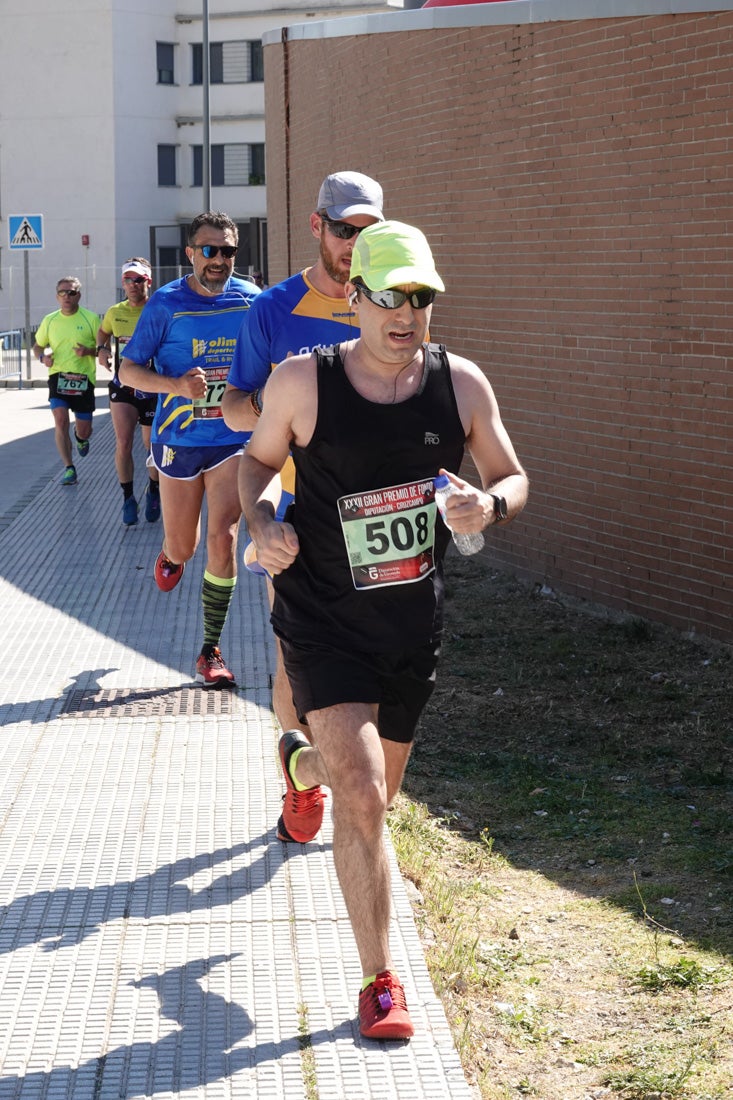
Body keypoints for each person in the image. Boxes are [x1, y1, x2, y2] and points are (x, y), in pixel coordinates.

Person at [238, 220, 529, 1040]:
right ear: (355, 298)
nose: (407, 313)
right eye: (391, 296)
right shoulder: (303, 382)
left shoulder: (459, 385)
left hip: (410, 625)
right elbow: (254, 463)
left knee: (376, 799)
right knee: (363, 799)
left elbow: (510, 473)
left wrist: (490, 504)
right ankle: (380, 984)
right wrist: (264, 524)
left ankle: (304, 769)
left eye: (422, 298)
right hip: (321, 616)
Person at [222, 170, 385, 733]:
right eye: (344, 230)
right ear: (317, 225)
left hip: (373, 512)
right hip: (295, 511)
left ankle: (351, 780)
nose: (354, 246)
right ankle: (298, 782)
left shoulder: (391, 301)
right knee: (296, 660)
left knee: (375, 660)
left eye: (369, 232)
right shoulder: (273, 309)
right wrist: (278, 399)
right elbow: (233, 406)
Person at [119, 212, 260, 688]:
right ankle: (170, 555)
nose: (218, 259)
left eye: (227, 251)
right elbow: (128, 371)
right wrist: (176, 385)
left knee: (223, 537)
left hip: (233, 440)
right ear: (190, 253)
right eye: (209, 249)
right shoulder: (165, 304)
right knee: (185, 545)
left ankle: (209, 650)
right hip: (178, 441)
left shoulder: (251, 301)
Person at [97, 258, 161, 526]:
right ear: (122, 283)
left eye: (138, 280)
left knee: (151, 445)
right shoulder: (115, 312)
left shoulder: (158, 309)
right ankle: (127, 498)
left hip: (152, 386)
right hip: (122, 386)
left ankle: (154, 491)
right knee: (123, 442)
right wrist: (101, 350)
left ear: (148, 281)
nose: (133, 285)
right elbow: (102, 334)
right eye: (128, 280)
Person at [32, 277, 100, 486]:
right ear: (57, 296)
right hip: (58, 377)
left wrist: (88, 351)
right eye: (63, 292)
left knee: (84, 429)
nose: (67, 296)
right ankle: (69, 467)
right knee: (60, 420)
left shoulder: (91, 319)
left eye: (71, 292)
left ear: (79, 295)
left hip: (83, 379)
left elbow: (103, 349)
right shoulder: (50, 320)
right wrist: (43, 358)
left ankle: (80, 438)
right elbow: (37, 346)